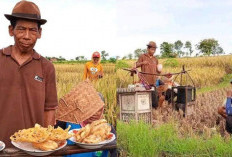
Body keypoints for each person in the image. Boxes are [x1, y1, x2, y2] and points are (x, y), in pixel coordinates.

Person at [0, 1, 58, 147]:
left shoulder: (47, 67)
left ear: (39, 33)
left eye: (32, 30)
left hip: (33, 149)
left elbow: (49, 110)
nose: (27, 36)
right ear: (10, 30)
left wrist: (46, 144)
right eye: (21, 29)